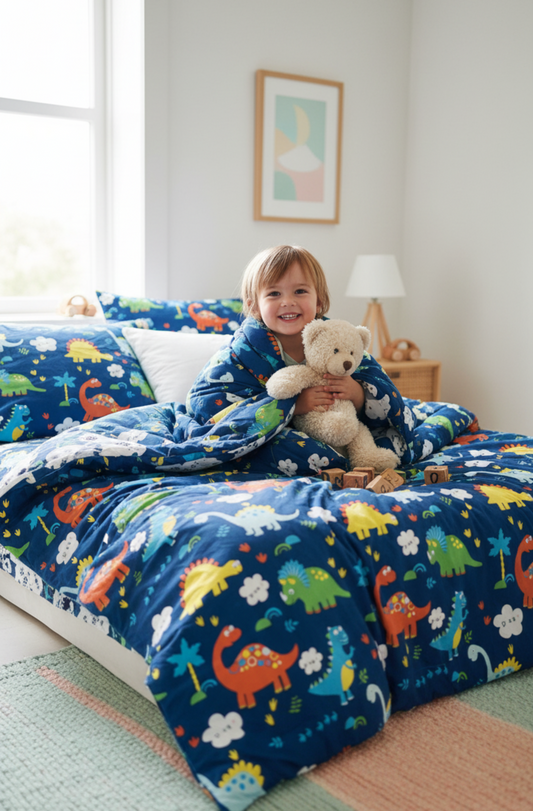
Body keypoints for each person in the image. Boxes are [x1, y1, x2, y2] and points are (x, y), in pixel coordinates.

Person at [240, 244, 365, 417]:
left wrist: (356, 393)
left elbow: (380, 391)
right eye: (274, 293)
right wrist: (293, 406)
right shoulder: (242, 352)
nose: (288, 302)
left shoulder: (339, 338)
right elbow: (217, 406)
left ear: (319, 301)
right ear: (254, 307)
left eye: (300, 291)